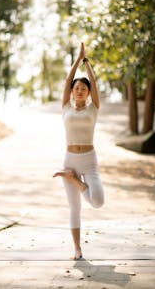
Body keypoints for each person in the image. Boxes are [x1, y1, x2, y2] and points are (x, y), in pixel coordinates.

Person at [53, 42, 104, 260]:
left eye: (84, 88)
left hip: (89, 161)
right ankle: (77, 250)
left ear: (88, 92)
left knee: (98, 201)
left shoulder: (94, 108)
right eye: (77, 88)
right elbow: (67, 81)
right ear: (72, 92)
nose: (80, 89)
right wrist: (76, 60)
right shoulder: (66, 107)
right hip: (71, 159)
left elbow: (93, 81)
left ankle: (75, 181)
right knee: (75, 208)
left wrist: (87, 62)